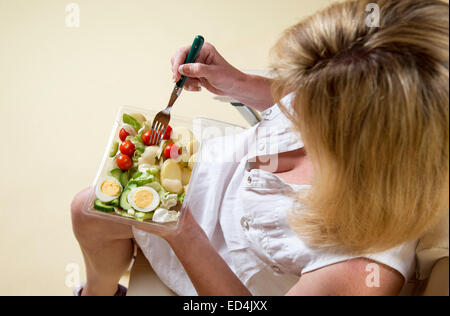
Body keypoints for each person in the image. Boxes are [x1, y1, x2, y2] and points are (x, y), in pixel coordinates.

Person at [71, 0, 449, 296]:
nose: (290, 105)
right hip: (210, 186)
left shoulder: (360, 271)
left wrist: (181, 232)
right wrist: (237, 81)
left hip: (219, 268)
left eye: (309, 110)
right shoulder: (351, 93)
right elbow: (293, 91)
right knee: (85, 209)